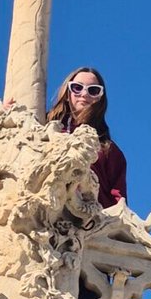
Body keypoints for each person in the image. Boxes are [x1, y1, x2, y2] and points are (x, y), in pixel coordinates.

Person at [47, 65, 126, 208]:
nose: (84, 94)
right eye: (77, 87)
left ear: (100, 99)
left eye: (93, 90)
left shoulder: (110, 151)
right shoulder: (45, 129)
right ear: (67, 93)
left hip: (89, 223)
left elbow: (119, 205)